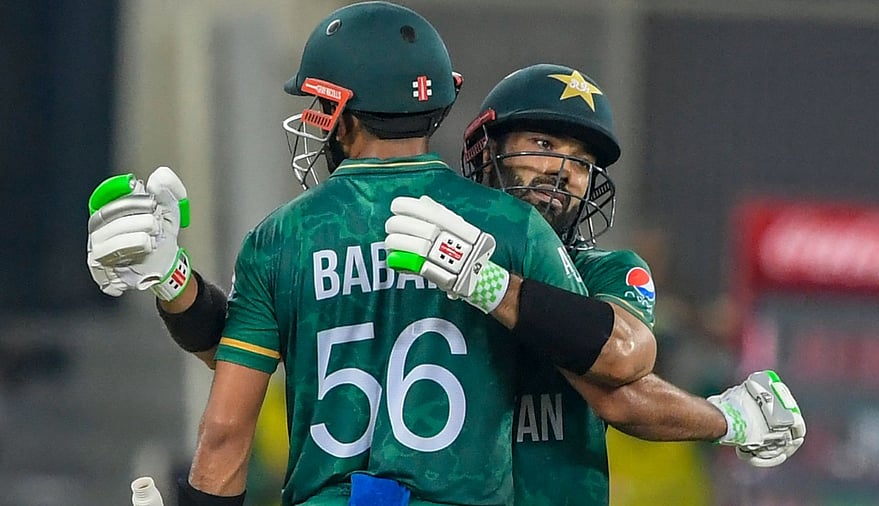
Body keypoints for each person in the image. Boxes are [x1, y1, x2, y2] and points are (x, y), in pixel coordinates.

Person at [86, 27, 803, 506]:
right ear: (483, 148)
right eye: (544, 144)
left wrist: (485, 280)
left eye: (581, 163)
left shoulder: (606, 269)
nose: (562, 173)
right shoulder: (410, 240)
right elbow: (271, 358)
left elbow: (623, 371)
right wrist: (175, 283)